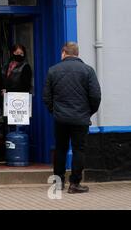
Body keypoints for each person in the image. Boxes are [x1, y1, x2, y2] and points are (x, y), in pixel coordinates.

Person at [43, 42, 101, 194]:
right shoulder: (88, 71)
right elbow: (95, 96)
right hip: (80, 118)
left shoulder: (53, 70)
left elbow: (46, 97)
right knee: (78, 150)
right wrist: (88, 112)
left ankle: (58, 183)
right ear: (77, 53)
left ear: (63, 53)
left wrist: (54, 111)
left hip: (60, 118)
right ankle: (75, 184)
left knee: (60, 149)